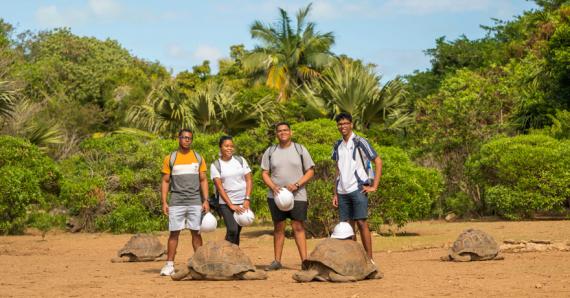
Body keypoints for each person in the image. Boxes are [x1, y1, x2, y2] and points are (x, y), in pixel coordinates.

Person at [261, 122, 315, 271]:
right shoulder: (270, 151)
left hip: (298, 195)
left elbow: (310, 171)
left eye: (285, 130)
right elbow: (264, 173)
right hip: (276, 196)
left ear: (291, 132)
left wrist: (297, 185)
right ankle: (277, 261)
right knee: (279, 227)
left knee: (298, 226)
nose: (282, 133)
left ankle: (304, 261)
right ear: (276, 134)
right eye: (279, 131)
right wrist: (273, 187)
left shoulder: (300, 149)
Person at [331, 113, 382, 260]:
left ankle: (369, 259)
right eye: (340, 124)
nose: (343, 126)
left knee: (361, 222)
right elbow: (337, 169)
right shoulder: (337, 145)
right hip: (342, 191)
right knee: (347, 227)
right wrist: (335, 192)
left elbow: (378, 161)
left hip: (358, 188)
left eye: (346, 123)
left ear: (351, 124)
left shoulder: (360, 142)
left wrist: (374, 186)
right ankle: (355, 259)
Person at [159, 129, 210, 276]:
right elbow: (165, 181)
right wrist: (164, 202)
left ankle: (200, 263)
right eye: (184, 137)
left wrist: (206, 200)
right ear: (178, 138)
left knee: (196, 232)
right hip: (176, 201)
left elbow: (203, 180)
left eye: (189, 138)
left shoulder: (198, 157)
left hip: (195, 201)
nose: (187, 140)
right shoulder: (171, 158)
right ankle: (169, 265)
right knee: (174, 233)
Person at [210, 135, 253, 246]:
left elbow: (249, 180)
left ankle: (234, 257)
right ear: (220, 147)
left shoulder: (240, 160)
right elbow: (220, 187)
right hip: (225, 203)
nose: (229, 148)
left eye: (231, 146)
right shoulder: (216, 165)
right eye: (226, 146)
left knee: (237, 232)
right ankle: (225, 255)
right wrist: (231, 205)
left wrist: (247, 199)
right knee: (232, 230)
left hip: (242, 202)